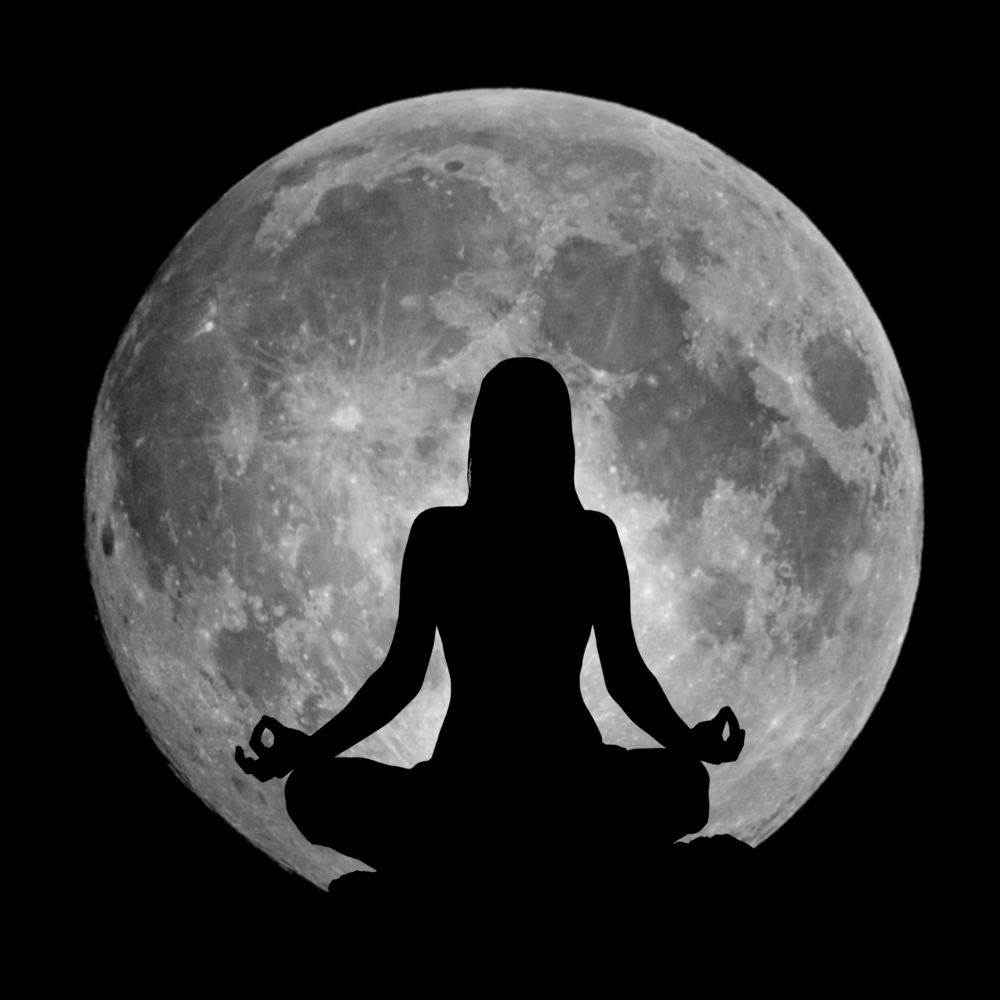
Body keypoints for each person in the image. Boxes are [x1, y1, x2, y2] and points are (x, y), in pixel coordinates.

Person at [236, 358, 745, 885]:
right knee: (309, 788)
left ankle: (461, 862)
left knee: (687, 780)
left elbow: (624, 675)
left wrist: (689, 743)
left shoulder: (582, 537)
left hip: (546, 782)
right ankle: (559, 857)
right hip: (480, 785)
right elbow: (400, 677)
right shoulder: (448, 535)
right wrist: (311, 750)